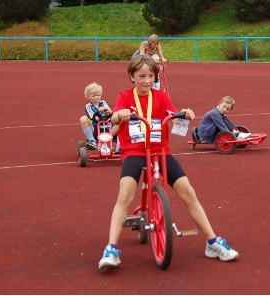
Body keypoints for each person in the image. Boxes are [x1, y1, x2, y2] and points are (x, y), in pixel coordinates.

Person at [98, 55, 239, 269]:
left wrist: (185, 115)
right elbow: (114, 118)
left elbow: (174, 116)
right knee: (125, 193)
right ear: (131, 77)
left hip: (160, 150)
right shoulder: (125, 96)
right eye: (141, 76)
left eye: (151, 76)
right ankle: (111, 248)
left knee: (188, 191)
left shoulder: (161, 97)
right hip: (135, 151)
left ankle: (213, 242)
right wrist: (121, 115)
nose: (147, 80)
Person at [79, 82, 119, 153]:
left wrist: (107, 111)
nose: (96, 97)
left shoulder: (103, 103)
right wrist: (100, 113)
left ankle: (119, 145)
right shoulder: (88, 106)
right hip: (96, 130)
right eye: (94, 96)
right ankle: (92, 142)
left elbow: (110, 111)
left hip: (108, 129)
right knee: (83, 118)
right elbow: (95, 118)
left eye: (98, 95)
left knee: (120, 121)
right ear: (88, 96)